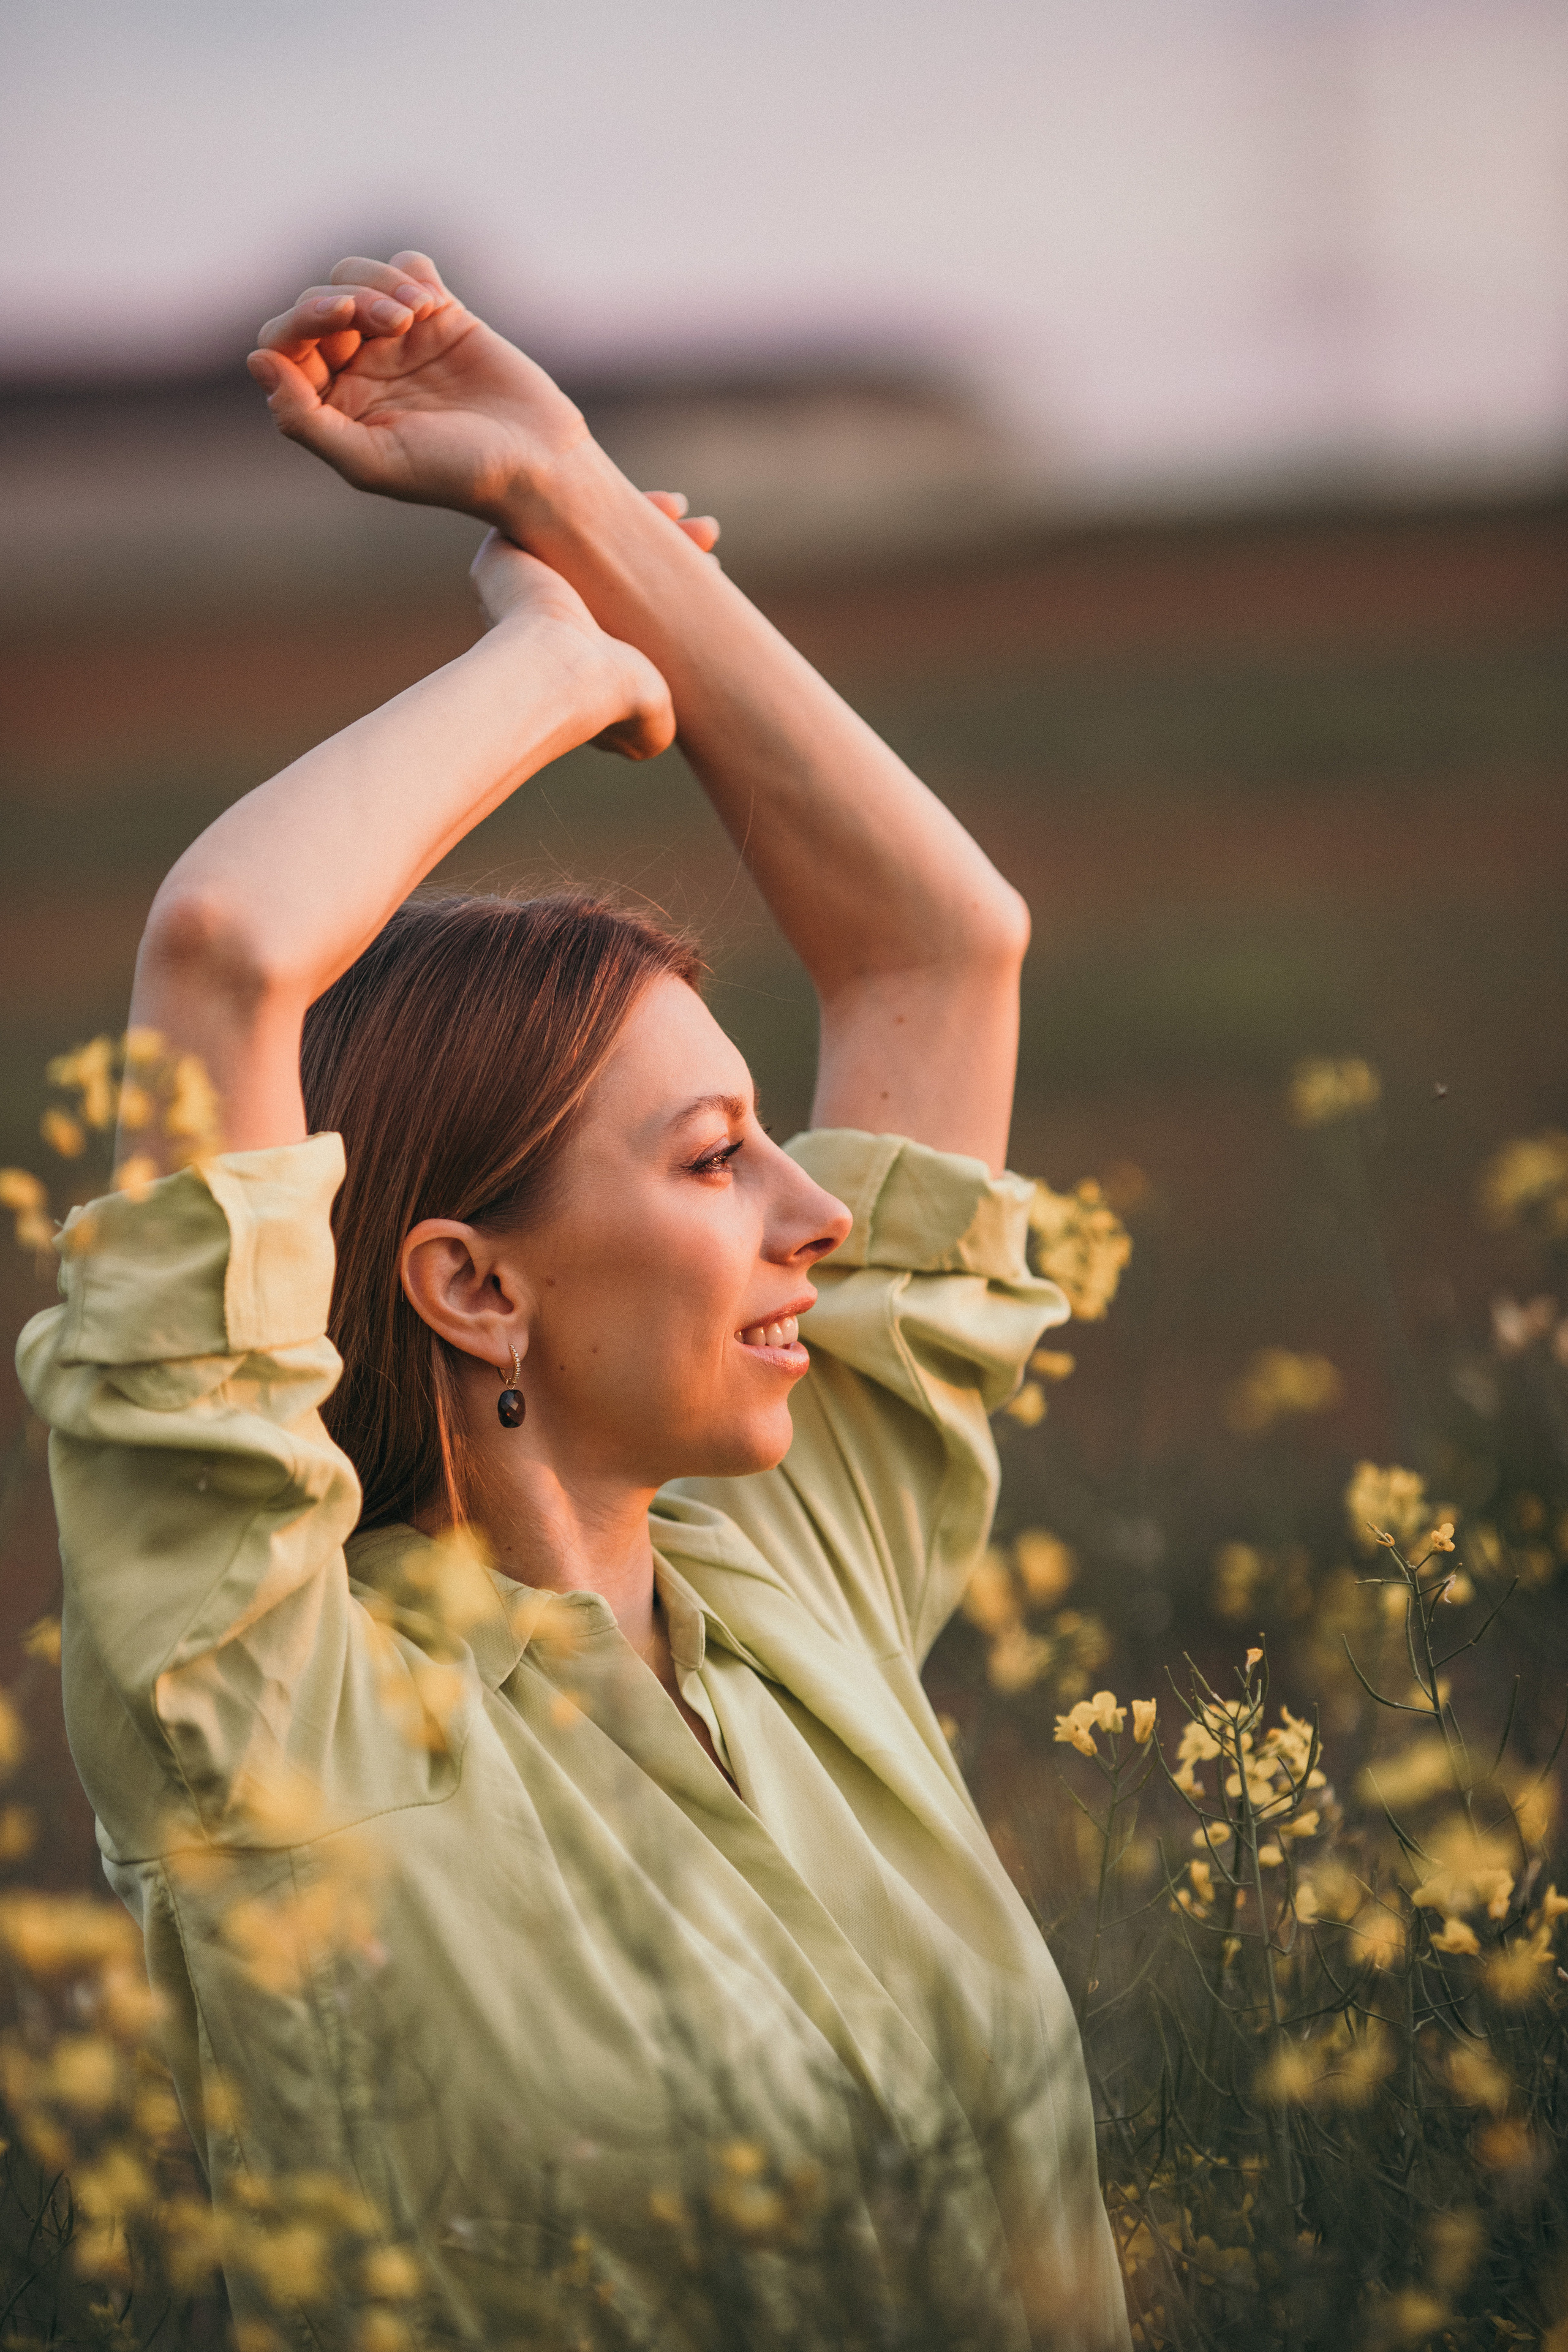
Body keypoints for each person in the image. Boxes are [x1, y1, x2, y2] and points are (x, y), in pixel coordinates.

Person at [18, 251, 1131, 2351]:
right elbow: (230, 957)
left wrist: (568, 489)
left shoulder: (794, 1578)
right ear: (469, 1285)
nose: (822, 1213)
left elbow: (941, 950)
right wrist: (551, 660)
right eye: (716, 1159)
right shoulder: (271, 1715)